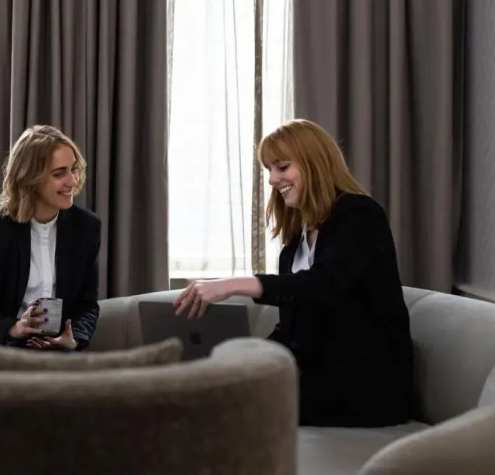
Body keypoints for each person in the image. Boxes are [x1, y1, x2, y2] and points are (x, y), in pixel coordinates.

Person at [174, 119, 414, 427]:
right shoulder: (297, 239)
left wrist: (234, 284)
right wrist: (246, 357)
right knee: (208, 390)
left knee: (226, 404)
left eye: (282, 167)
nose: (273, 180)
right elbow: (294, 326)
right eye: (269, 170)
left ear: (315, 164)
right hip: (320, 378)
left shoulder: (360, 215)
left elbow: (324, 285)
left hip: (369, 387)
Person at [0, 125, 101, 362]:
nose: (73, 180)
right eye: (59, 173)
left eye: (74, 169)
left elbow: (87, 304)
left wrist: (74, 339)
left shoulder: (86, 228)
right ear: (31, 179)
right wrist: (15, 327)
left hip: (50, 349)